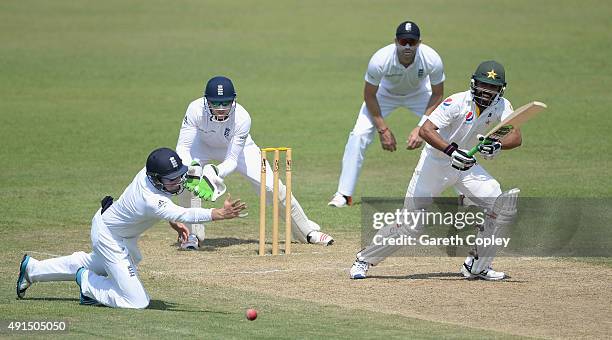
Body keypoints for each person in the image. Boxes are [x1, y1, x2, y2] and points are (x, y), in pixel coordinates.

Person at [349, 60, 521, 281]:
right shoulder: (456, 102)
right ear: (474, 83)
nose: (487, 91)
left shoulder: (502, 106)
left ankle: (478, 266)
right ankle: (364, 259)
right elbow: (426, 130)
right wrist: (451, 151)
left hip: (467, 166)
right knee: (411, 226)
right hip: (436, 164)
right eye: (483, 85)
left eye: (492, 87)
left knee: (500, 205)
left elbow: (515, 136)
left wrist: (497, 144)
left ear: (501, 89)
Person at [16, 147, 246, 308]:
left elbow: (169, 205)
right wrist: (219, 214)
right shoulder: (150, 198)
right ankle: (88, 284)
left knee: (107, 261)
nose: (177, 183)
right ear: (156, 179)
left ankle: (33, 269)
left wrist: (172, 219)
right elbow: (182, 212)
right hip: (109, 236)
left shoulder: (148, 176)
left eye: (179, 176)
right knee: (137, 302)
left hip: (116, 230)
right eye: (171, 180)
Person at [174, 76, 334, 250]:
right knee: (187, 184)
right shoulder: (194, 109)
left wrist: (214, 172)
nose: (221, 108)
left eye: (226, 103)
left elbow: (231, 160)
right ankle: (191, 234)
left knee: (274, 188)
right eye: (215, 103)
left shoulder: (242, 117)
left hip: (240, 149)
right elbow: (182, 147)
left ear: (234, 100)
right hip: (201, 146)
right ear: (206, 101)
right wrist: (194, 169)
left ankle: (307, 232)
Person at [328, 20, 445, 207]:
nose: (407, 46)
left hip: (420, 95)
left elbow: (438, 94)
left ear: (419, 43)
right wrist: (383, 130)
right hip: (384, 95)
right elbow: (369, 95)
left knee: (446, 134)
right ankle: (343, 194)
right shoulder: (380, 59)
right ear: (396, 41)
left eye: (412, 42)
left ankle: (460, 192)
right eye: (403, 41)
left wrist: (422, 127)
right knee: (358, 135)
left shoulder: (432, 59)